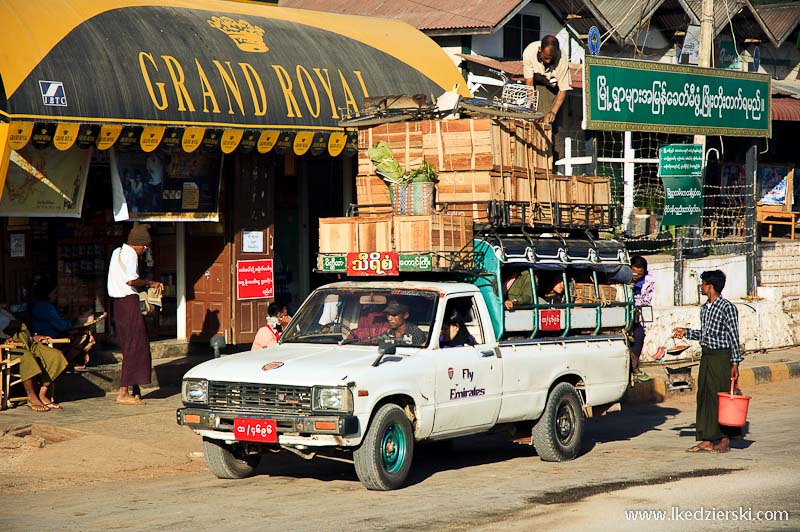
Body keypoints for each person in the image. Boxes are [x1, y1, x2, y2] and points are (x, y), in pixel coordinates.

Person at [673, 270, 742, 454]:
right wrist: (686, 332)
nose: (701, 287)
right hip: (707, 356)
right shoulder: (705, 309)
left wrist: (735, 363)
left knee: (720, 396)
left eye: (703, 284)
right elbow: (706, 335)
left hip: (721, 358)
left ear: (710, 287)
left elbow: (733, 336)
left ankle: (724, 438)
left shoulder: (727, 308)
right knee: (704, 396)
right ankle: (706, 438)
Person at [107, 222, 163, 406]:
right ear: (138, 244)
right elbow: (131, 280)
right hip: (128, 302)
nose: (144, 251)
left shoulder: (118, 252)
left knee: (130, 345)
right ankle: (123, 392)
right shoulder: (131, 255)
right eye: (144, 247)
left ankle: (134, 389)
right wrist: (150, 283)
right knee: (136, 346)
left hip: (118, 304)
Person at [1, 308, 67, 411]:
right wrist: (4, 340)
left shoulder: (4, 312)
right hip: (8, 349)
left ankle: (42, 393)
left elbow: (23, 331)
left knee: (55, 355)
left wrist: (33, 337)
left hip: (26, 343)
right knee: (27, 358)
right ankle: (32, 397)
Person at [30, 278, 96, 369]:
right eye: (55, 293)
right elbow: (62, 327)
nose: (56, 296)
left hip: (46, 334)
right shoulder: (46, 307)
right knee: (84, 336)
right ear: (48, 293)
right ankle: (66, 362)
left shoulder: (37, 304)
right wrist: (73, 318)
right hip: (49, 338)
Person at [523, 34, 572, 126]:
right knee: (534, 120)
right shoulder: (529, 52)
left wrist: (553, 112)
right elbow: (529, 82)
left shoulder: (562, 58)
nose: (548, 61)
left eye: (551, 58)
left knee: (551, 124)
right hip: (536, 85)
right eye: (546, 58)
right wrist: (531, 103)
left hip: (553, 89)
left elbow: (563, 89)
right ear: (540, 49)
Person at [630, 256, 655, 382]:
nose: (636, 276)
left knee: (639, 335)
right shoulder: (622, 277)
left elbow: (646, 301)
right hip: (623, 311)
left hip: (637, 313)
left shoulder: (648, 281)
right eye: (633, 273)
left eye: (639, 274)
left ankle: (634, 366)